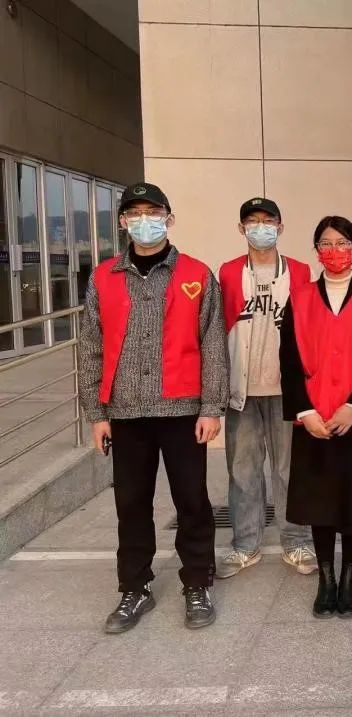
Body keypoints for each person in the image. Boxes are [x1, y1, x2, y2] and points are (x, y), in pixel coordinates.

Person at [79, 182, 228, 633]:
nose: (144, 220)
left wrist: (211, 407)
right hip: (125, 411)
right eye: (135, 213)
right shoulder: (103, 277)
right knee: (131, 503)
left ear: (169, 218)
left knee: (192, 500)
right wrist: (96, 414)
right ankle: (134, 586)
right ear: (123, 222)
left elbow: (213, 344)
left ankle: (197, 581)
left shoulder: (197, 274)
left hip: (182, 410)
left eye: (153, 212)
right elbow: (91, 347)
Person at [279, 216, 352, 619]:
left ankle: (349, 576)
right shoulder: (299, 298)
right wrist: (305, 410)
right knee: (320, 500)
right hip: (313, 419)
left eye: (343, 242)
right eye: (326, 243)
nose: (335, 250)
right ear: (316, 251)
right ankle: (325, 578)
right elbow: (288, 360)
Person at [216, 197, 316, 580]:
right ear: (241, 229)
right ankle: (245, 544)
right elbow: (216, 330)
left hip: (286, 389)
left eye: (268, 220)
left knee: (290, 470)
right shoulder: (228, 272)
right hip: (241, 390)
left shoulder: (300, 271)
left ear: (280, 227)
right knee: (243, 471)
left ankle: (296, 541)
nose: (261, 227)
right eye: (253, 221)